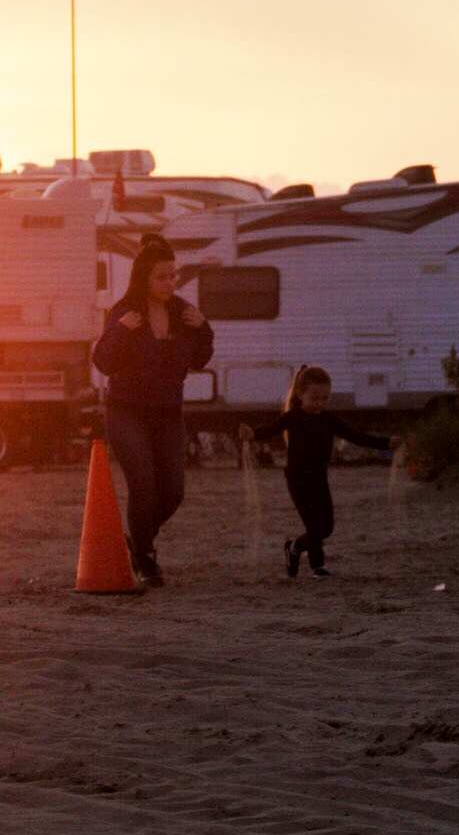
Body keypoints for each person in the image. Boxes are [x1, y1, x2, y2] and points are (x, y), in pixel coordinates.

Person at [90, 235, 211, 587]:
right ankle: (144, 557)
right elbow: (103, 362)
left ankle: (138, 541)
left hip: (168, 412)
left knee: (173, 491)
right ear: (143, 278)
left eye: (173, 276)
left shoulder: (182, 312)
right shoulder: (124, 312)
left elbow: (201, 358)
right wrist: (120, 332)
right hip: (126, 411)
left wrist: (203, 328)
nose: (170, 283)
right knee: (143, 484)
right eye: (162, 276)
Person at [240, 365, 391, 579]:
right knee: (313, 524)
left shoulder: (329, 420)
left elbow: (357, 436)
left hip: (320, 479)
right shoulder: (293, 417)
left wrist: (387, 443)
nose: (320, 404)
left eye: (325, 399)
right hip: (297, 479)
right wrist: (252, 433)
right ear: (301, 394)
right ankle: (317, 566)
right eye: (314, 399)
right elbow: (270, 429)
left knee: (326, 528)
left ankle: (293, 547)